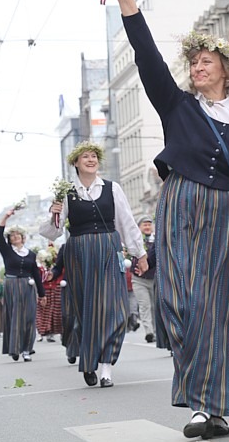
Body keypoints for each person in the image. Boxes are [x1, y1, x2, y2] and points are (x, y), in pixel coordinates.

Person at [107, 0, 229, 440]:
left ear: (226, 69)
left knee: (221, 312)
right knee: (183, 305)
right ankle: (206, 400)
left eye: (206, 61)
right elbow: (147, 58)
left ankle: (209, 408)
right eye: (194, 62)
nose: (197, 67)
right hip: (182, 209)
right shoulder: (178, 106)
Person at [41, 141, 148, 386]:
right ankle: (88, 362)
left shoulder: (113, 188)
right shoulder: (66, 192)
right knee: (85, 310)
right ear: (76, 163)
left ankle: (106, 368)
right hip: (79, 253)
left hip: (109, 249)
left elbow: (127, 223)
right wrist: (53, 213)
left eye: (94, 156)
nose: (91, 160)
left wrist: (139, 254)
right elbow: (52, 233)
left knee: (115, 309)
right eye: (85, 157)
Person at [0, 216, 46, 362]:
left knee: (29, 317)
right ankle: (14, 348)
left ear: (23, 237)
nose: (15, 237)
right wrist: (5, 217)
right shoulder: (6, 251)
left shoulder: (30, 254)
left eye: (18, 235)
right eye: (12, 235)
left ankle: (26, 349)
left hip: (28, 286)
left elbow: (36, 274)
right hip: (12, 285)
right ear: (10, 239)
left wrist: (42, 294)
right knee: (15, 317)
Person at [50, 244, 79, 364]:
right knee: (68, 318)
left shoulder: (95, 242)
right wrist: (51, 274)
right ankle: (70, 347)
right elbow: (58, 267)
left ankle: (88, 350)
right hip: (70, 286)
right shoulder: (67, 247)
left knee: (87, 319)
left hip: (90, 284)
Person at [131, 215, 156, 342]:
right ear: (139, 227)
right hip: (138, 280)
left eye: (149, 224)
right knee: (145, 305)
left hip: (154, 279)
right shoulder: (135, 242)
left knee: (154, 306)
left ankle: (157, 332)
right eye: (144, 225)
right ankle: (149, 332)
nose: (147, 227)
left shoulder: (156, 240)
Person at [36, 244, 63, 343]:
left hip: (55, 288)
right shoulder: (40, 268)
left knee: (56, 312)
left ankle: (56, 331)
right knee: (43, 311)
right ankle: (42, 332)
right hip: (44, 289)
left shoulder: (57, 268)